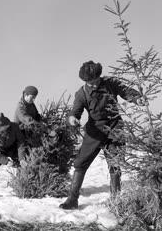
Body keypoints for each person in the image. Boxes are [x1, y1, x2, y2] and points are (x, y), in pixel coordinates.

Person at [59, 60, 146, 210]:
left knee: (115, 165)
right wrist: (72, 119)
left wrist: (137, 98)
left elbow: (125, 91)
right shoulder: (81, 94)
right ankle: (72, 199)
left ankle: (116, 201)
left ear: (99, 76)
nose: (93, 84)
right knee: (80, 164)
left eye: (95, 81)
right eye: (89, 82)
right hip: (94, 132)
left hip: (115, 128)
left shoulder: (110, 83)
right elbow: (75, 111)